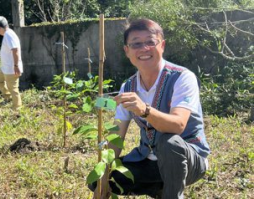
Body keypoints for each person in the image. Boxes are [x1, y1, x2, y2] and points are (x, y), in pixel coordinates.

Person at [89, 19, 210, 199]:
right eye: (136, 44)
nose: (144, 48)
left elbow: (178, 125)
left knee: (170, 143)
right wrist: (103, 175)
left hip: (189, 159)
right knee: (99, 180)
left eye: (150, 42)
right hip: (149, 161)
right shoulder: (128, 87)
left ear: (162, 45)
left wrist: (145, 109)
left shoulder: (182, 78)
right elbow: (117, 137)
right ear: (127, 51)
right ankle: (160, 190)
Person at [0, 16, 23, 111]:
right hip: (5, 68)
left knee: (13, 89)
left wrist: (16, 66)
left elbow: (15, 50)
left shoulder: (9, 35)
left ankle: (17, 108)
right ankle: (7, 97)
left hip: (11, 68)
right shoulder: (7, 34)